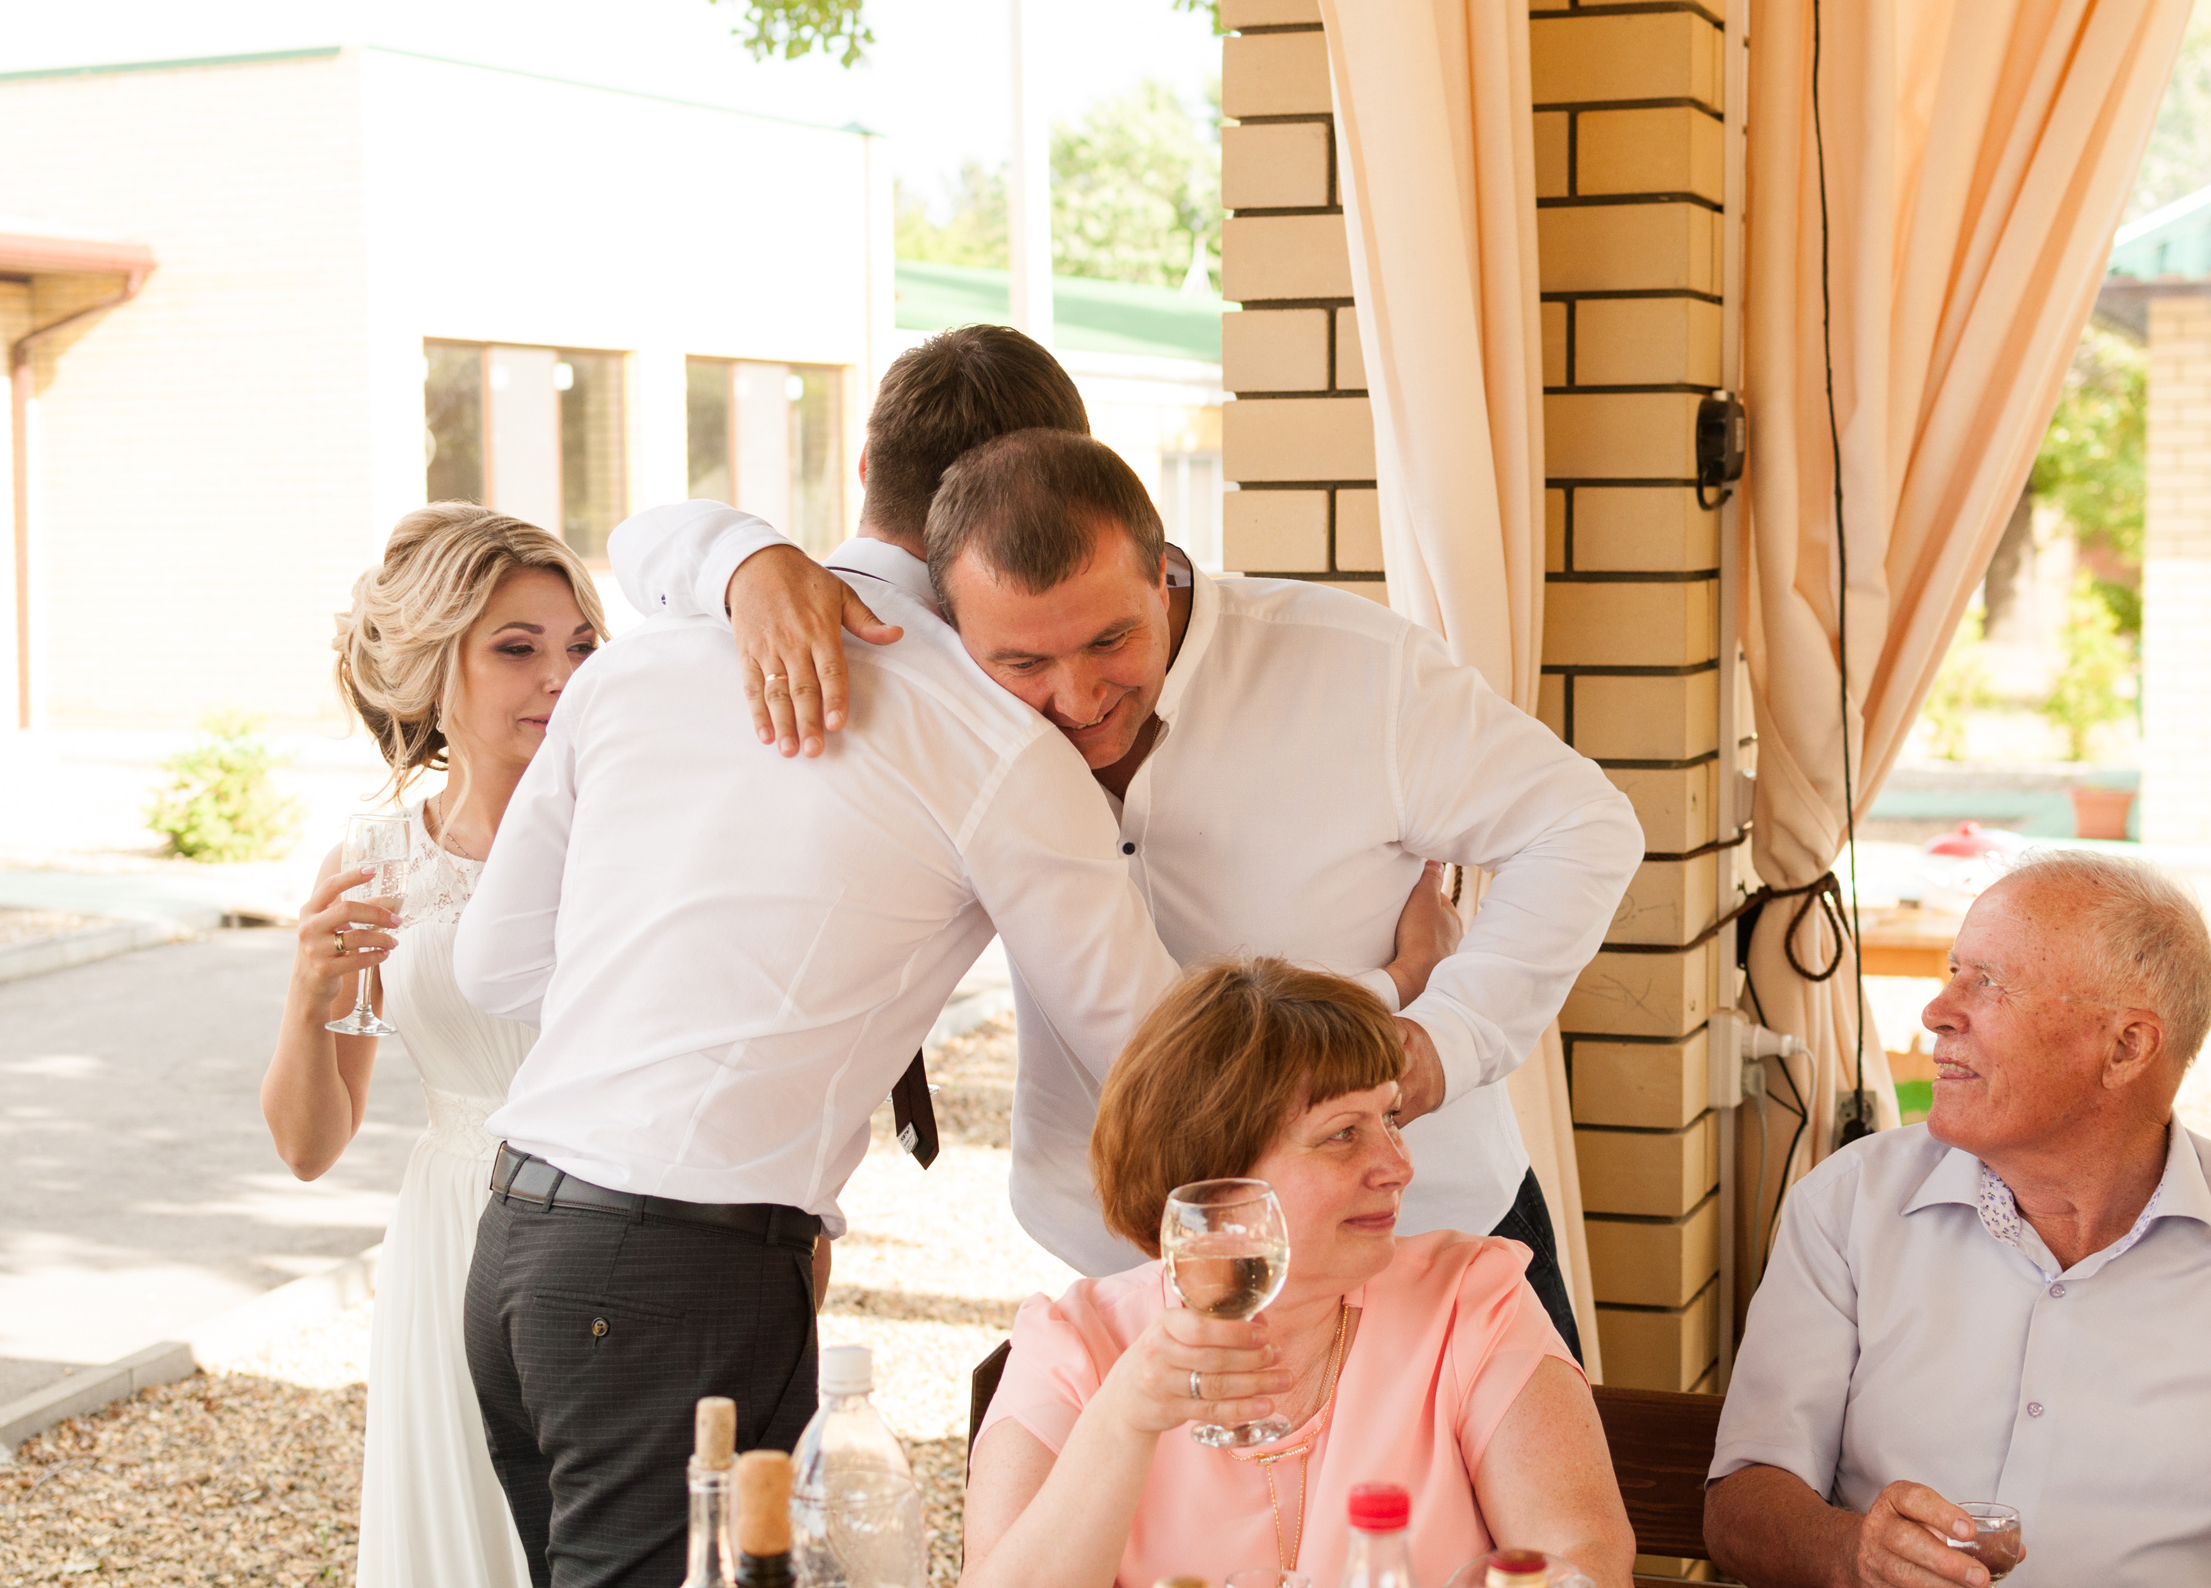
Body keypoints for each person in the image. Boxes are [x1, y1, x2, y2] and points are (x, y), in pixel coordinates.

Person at [452, 328, 1456, 1588]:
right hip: (682, 1275)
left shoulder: (642, 662)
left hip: (516, 1250)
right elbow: (1159, 1055)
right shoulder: (998, 752)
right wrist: (1390, 986)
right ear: (1037, 490)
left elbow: (494, 967)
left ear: (867, 460)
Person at [619, 409, 1644, 1357]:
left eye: (1112, 640)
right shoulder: (949, 700)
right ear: (951, 617)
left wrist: (1446, 1036)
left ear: (1163, 571)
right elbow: (649, 547)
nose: (1076, 698)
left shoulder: (1356, 671)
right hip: (1129, 1261)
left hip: (1419, 1239)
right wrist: (752, 563)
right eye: (1025, 662)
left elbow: (1585, 826)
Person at [1703, 848, 2211, 1587]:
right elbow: (1742, 1501)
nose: (1937, 1011)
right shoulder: (1851, 1203)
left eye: (1989, 984)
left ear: (2127, 1046)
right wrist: (1849, 1550)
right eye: (1954, 970)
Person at [962, 958, 1636, 1588]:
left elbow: (1581, 1560)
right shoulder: (1076, 1346)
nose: (1398, 1165)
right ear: (1217, 1176)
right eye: (1343, 1133)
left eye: (1391, 1117)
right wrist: (1123, 1419)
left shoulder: (1468, 1301)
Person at [262, 503, 610, 1588]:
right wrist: (308, 988)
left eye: (581, 647)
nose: (560, 677)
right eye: (518, 648)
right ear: (430, 671)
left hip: (611, 1224)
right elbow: (311, 1145)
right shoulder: (378, 861)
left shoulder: (632, 835)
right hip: (450, 1228)